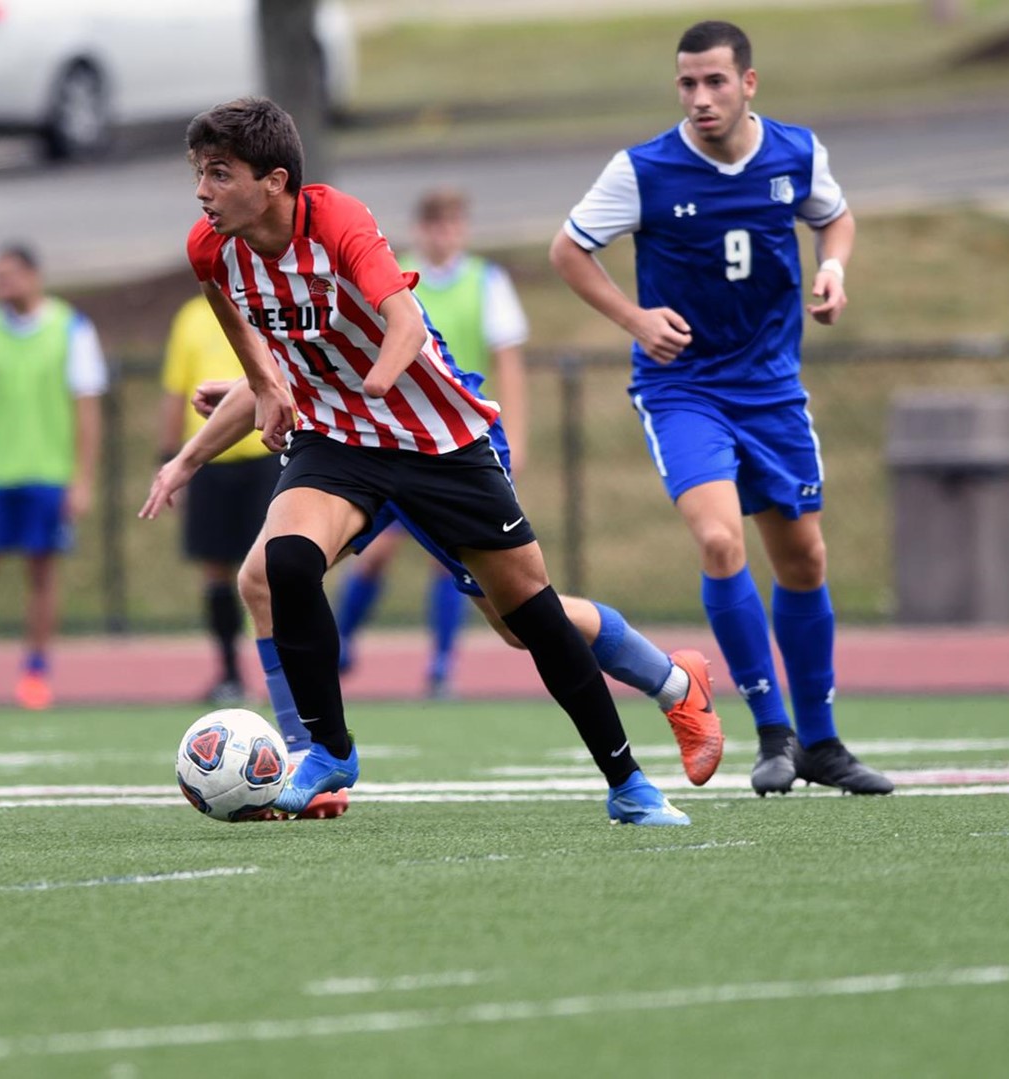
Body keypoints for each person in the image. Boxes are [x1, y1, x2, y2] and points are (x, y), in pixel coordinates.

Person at [166, 96, 707, 825]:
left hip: (438, 439)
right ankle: (327, 751)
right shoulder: (213, 247)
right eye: (200, 172)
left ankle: (632, 778)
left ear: (275, 180)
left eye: (219, 173)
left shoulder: (337, 222)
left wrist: (379, 383)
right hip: (341, 442)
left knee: (530, 619)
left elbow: (405, 322)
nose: (203, 190)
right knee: (279, 565)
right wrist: (261, 388)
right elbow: (235, 318)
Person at [548, 20, 891, 795]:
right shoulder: (643, 170)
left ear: (748, 84)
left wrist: (833, 269)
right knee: (718, 538)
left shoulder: (796, 153)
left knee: (805, 558)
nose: (700, 98)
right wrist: (635, 321)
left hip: (772, 389)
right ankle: (773, 733)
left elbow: (833, 216)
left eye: (715, 82)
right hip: (685, 390)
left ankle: (823, 744)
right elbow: (569, 250)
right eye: (687, 83)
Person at [334, 187, 531, 698]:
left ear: (462, 229)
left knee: (450, 559)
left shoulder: (486, 281)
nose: (442, 234)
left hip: (458, 440)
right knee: (373, 553)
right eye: (433, 225)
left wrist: (519, 436)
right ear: (419, 229)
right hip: (393, 439)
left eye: (451, 224)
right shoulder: (389, 273)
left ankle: (442, 665)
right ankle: (341, 645)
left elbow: (508, 361)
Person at [0, 243, 107, 710]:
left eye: (7, 275)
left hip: (47, 473)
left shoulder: (70, 328)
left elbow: (87, 409)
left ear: (33, 276)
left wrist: (82, 478)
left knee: (42, 574)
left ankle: (35, 670)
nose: (0, 286)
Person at [156, 294, 281, 705]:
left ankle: (279, 676)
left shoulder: (267, 306)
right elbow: (176, 391)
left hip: (264, 454)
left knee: (271, 568)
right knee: (216, 571)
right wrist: (170, 457)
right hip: (210, 460)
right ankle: (229, 673)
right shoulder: (190, 317)